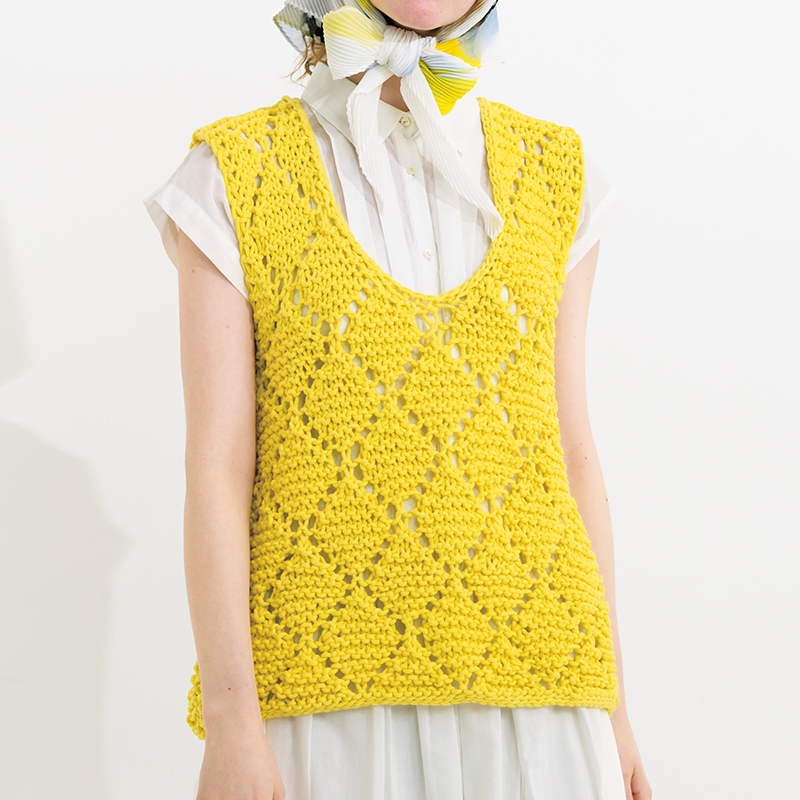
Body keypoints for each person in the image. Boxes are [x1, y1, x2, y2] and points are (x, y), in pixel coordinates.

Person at [145, 2, 653, 799]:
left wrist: (614, 712)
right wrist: (233, 725)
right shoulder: (232, 176)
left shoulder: (557, 173)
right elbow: (216, 468)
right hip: (326, 712)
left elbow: (571, 455)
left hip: (546, 708)